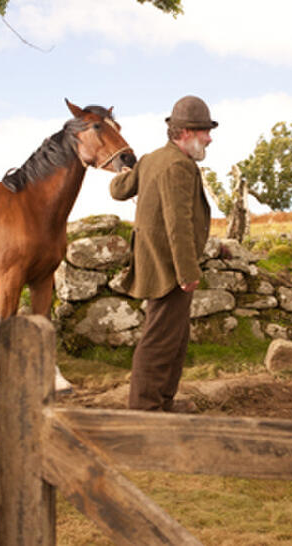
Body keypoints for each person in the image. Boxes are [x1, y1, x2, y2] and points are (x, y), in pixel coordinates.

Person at [109, 95, 215, 412]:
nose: (209, 138)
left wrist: (123, 169)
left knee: (175, 337)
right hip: (168, 266)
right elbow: (177, 224)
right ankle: (145, 410)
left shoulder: (152, 159)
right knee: (159, 340)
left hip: (158, 260)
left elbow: (118, 190)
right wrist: (187, 273)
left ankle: (162, 401)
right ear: (184, 133)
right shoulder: (177, 166)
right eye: (204, 131)